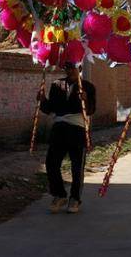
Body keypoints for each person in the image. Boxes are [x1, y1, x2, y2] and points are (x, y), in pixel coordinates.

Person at [37, 62, 96, 214]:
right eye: (67, 68)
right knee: (51, 163)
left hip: (77, 129)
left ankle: (75, 198)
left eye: (73, 68)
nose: (69, 71)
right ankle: (59, 194)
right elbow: (49, 109)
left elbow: (90, 110)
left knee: (77, 167)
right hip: (59, 128)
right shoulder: (57, 85)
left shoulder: (88, 87)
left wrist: (86, 99)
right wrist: (42, 100)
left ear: (80, 69)